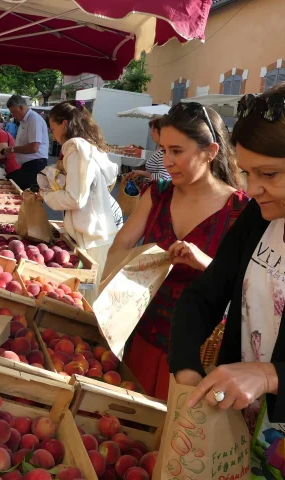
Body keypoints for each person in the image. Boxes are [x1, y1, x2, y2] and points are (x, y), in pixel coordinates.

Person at [168, 86, 285, 479]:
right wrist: (186, 368)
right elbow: (206, 294)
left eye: (269, 174)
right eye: (248, 173)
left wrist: (272, 375)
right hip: (236, 428)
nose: (252, 189)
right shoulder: (258, 218)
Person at [106, 102, 250, 401]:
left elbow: (246, 288)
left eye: (177, 151)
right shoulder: (157, 194)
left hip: (197, 354)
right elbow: (120, 245)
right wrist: (111, 294)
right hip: (140, 335)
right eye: (163, 149)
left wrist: (206, 264)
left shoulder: (240, 211)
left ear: (210, 152)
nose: (166, 160)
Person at [40, 100, 120, 304]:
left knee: (90, 301)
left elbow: (76, 198)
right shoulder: (88, 148)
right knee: (97, 295)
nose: (52, 133)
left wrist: (47, 194)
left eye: (53, 127)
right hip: (98, 231)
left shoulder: (76, 149)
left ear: (65, 124)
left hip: (91, 233)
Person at [4, 95, 49, 191]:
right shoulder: (24, 121)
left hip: (35, 166)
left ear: (21, 107)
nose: (13, 115)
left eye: (13, 111)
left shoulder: (34, 119)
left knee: (28, 198)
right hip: (28, 166)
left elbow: (34, 147)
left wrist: (13, 149)